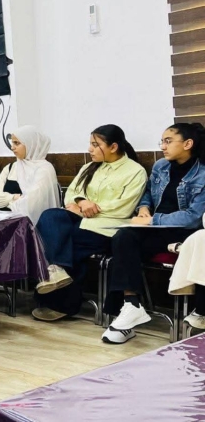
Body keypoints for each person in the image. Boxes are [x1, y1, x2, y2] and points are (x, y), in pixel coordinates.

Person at [101, 123, 205, 344]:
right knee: (123, 237)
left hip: (184, 233)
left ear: (188, 144)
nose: (163, 146)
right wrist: (144, 208)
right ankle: (132, 304)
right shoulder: (161, 166)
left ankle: (126, 314)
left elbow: (193, 217)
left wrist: (152, 220)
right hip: (154, 229)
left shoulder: (202, 173)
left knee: (125, 247)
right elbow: (148, 192)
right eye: (162, 141)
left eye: (168, 141)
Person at [33, 125, 147, 323]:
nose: (90, 149)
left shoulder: (135, 171)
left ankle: (60, 301)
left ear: (113, 147)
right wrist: (81, 201)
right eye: (90, 144)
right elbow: (71, 193)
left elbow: (123, 208)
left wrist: (87, 209)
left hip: (107, 229)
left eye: (95, 145)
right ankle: (56, 272)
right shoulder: (89, 168)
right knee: (51, 216)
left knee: (63, 242)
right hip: (80, 222)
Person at [0, 125, 61, 224]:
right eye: (12, 143)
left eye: (17, 143)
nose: (12, 147)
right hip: (3, 223)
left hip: (30, 226)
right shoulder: (10, 167)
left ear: (31, 144)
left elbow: (31, 206)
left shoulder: (45, 169)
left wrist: (4, 201)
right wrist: (14, 197)